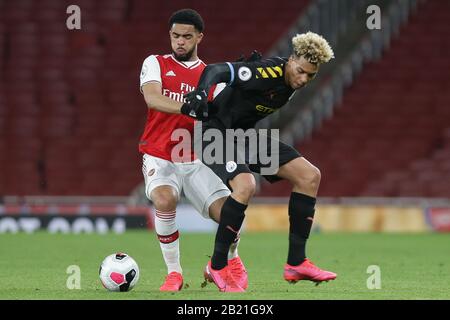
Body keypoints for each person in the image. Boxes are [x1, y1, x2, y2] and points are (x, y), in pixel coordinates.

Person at [181, 32, 337, 291]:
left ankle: (296, 262)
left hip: (243, 137)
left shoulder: (292, 82)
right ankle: (217, 265)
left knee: (309, 176)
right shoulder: (265, 73)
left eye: (310, 75)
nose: (303, 79)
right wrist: (200, 94)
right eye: (300, 71)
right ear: (291, 60)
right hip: (212, 133)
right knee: (245, 185)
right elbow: (216, 70)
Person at [139, 8, 246, 292]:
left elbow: (224, 116)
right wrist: (189, 106)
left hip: (196, 158)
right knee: (164, 198)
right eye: (175, 36)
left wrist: (252, 85)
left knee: (230, 215)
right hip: (160, 155)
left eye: (187, 37)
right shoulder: (156, 63)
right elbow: (153, 98)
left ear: (199, 37)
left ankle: (226, 262)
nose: (180, 42)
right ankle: (174, 274)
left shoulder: (210, 76)